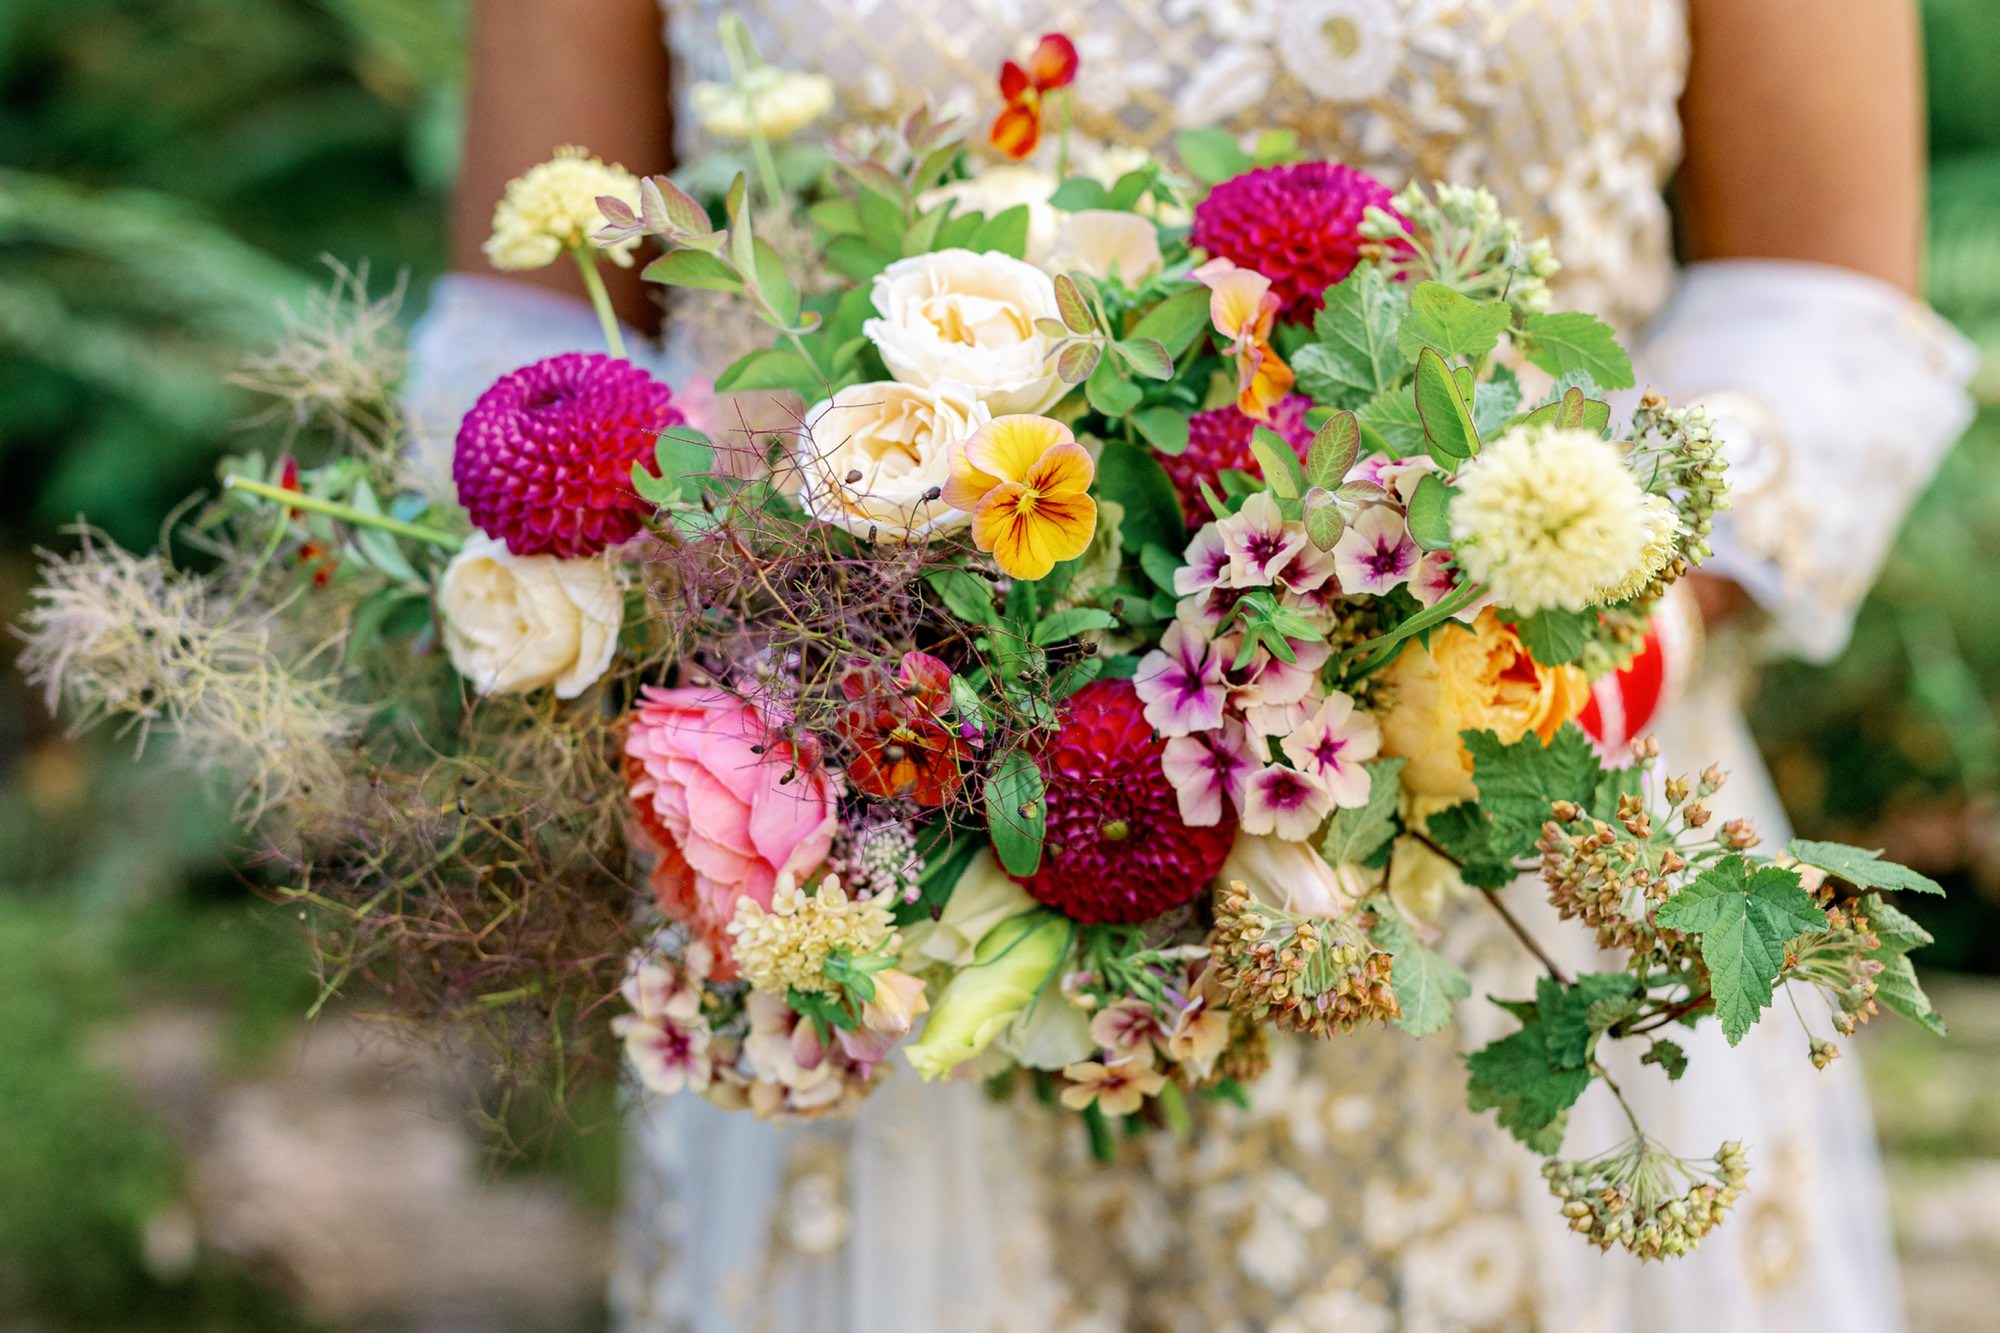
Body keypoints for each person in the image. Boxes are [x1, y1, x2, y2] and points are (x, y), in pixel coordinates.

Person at [408, 2, 1976, 1328]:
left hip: (1526, 885)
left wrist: (1594, 649)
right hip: (891, 940)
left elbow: (1820, 303)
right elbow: (522, 342)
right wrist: (790, 642)